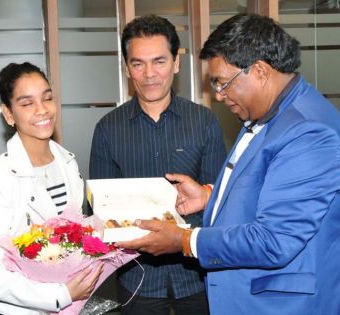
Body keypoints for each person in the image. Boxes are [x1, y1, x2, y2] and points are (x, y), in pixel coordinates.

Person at [118, 14, 340, 315]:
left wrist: (185, 240)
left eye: (222, 83)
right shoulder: (270, 115)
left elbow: (275, 239)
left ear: (259, 71)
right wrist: (209, 196)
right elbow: (273, 191)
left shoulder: (309, 132)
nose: (218, 95)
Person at [89, 14, 226, 315]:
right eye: (138, 63)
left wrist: (180, 239)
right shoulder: (107, 129)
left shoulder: (203, 122)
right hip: (136, 279)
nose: (149, 73)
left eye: (159, 61)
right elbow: (99, 212)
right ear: (127, 68)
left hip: (197, 277)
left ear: (176, 62)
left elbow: (220, 203)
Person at [0, 62, 103, 314]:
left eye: (47, 98)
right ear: (8, 114)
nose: (43, 110)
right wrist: (58, 295)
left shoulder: (68, 162)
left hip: (72, 305)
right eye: (27, 103)